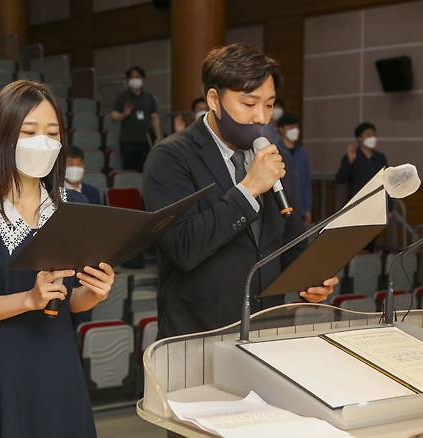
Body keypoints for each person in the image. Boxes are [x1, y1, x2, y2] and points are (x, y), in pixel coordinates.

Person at [0, 80, 116, 438]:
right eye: (29, 130)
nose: (44, 141)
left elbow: (72, 300)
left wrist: (95, 292)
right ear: (3, 135)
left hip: (58, 362)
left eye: (52, 133)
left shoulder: (75, 206)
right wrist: (28, 300)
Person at [143, 43, 337, 338]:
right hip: (199, 332)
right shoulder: (170, 156)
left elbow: (288, 239)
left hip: (267, 328)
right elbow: (183, 248)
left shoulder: (276, 157)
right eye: (249, 104)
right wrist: (248, 189)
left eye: (269, 104)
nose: (261, 117)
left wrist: (307, 278)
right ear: (214, 99)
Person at [110, 66, 162, 171]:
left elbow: (154, 117)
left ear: (142, 79)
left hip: (146, 141)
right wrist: (124, 114)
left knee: (146, 170)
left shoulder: (149, 97)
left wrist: (158, 136)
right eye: (132, 77)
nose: (135, 79)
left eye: (137, 76)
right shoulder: (122, 97)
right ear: (128, 80)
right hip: (127, 142)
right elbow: (113, 116)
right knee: (129, 171)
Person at [335, 122, 388, 199]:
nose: (372, 138)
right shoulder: (352, 156)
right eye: (368, 135)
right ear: (359, 138)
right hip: (357, 201)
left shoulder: (380, 157)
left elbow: (387, 181)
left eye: (374, 135)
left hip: (377, 200)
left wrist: (389, 207)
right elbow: (340, 179)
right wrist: (349, 162)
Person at [276, 113, 312, 224]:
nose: (295, 130)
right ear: (281, 129)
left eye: (297, 127)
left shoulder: (303, 152)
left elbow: (307, 182)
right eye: (291, 127)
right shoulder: (275, 151)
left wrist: (307, 209)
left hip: (300, 209)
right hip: (280, 209)